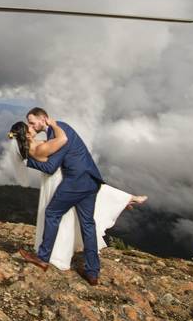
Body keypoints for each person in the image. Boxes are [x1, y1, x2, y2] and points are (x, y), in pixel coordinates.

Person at [10, 108, 146, 285]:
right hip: (91, 181)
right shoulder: (59, 129)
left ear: (43, 119)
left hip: (75, 182)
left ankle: (42, 258)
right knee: (88, 225)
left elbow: (51, 167)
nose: (30, 125)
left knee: (52, 214)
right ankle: (93, 273)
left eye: (31, 121)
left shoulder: (57, 133)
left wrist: (28, 161)